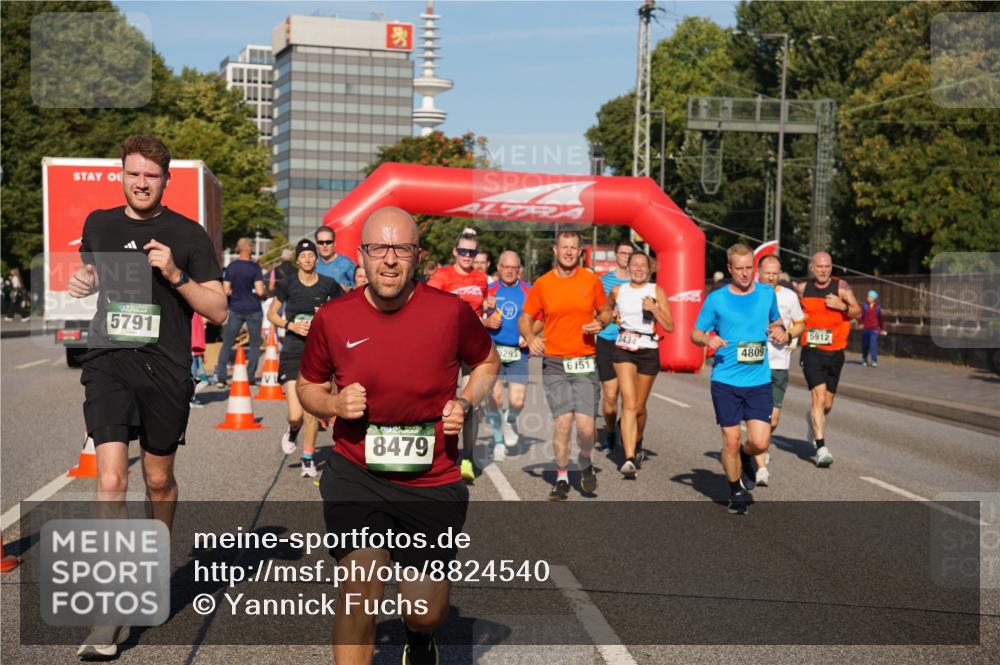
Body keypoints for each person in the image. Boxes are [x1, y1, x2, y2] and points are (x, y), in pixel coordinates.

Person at [296, 206, 499, 665]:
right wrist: (332, 404)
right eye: (377, 249)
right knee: (359, 588)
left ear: (418, 257)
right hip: (357, 471)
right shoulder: (334, 317)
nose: (389, 260)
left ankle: (420, 636)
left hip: (431, 478)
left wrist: (464, 402)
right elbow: (307, 385)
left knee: (427, 613)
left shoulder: (450, 313)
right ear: (361, 257)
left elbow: (487, 363)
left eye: (401, 249)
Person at [67, 134, 227, 659]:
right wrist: (84, 282)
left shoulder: (188, 234)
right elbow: (94, 277)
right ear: (122, 174)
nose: (141, 183)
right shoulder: (99, 224)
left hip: (166, 368)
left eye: (151, 176)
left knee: (158, 478)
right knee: (110, 479)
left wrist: (176, 274)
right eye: (133, 174)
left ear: (165, 180)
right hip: (109, 360)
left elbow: (219, 311)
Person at [690, 244, 788, 515]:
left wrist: (781, 332)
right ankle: (735, 490)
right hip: (725, 380)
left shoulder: (767, 294)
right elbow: (695, 333)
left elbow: (777, 322)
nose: (745, 274)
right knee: (731, 439)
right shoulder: (717, 300)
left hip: (758, 381)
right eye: (740, 269)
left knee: (760, 442)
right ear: (730, 269)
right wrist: (708, 338)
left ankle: (747, 457)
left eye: (749, 268)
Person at [519, 230, 613, 501]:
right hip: (555, 363)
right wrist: (530, 337)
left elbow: (606, 310)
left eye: (574, 248)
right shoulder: (543, 284)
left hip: (584, 361)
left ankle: (584, 459)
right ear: (555, 250)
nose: (569, 252)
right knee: (563, 424)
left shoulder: (590, 280)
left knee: (586, 429)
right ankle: (561, 479)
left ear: (580, 251)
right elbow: (526, 319)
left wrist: (602, 322)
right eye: (565, 247)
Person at [267, 239, 344, 478]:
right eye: (304, 256)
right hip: (292, 351)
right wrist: (291, 324)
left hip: (319, 354)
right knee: (295, 414)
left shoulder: (328, 284)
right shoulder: (287, 284)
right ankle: (292, 430)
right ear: (297, 260)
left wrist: (327, 315)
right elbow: (271, 314)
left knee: (312, 411)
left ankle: (308, 458)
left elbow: (344, 308)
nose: (308, 259)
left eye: (311, 255)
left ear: (315, 259)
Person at [427, 229, 490, 483]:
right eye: (463, 251)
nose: (467, 256)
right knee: (440, 400)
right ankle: (439, 453)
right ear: (455, 252)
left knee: (468, 403)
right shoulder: (442, 276)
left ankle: (467, 458)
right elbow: (427, 305)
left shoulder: (481, 278)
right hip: (445, 347)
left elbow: (482, 309)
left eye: (471, 252)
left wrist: (487, 316)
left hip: (472, 348)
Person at [607, 252, 673, 478]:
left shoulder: (657, 291)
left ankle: (638, 438)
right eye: (634, 265)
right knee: (629, 402)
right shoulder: (618, 291)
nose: (638, 269)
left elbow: (670, 326)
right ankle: (629, 457)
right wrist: (605, 318)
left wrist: (654, 309)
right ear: (628, 267)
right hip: (623, 346)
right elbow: (606, 311)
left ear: (649, 269)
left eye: (643, 266)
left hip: (648, 349)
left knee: (640, 408)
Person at [796, 251, 862, 467]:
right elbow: (793, 314)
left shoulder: (841, 287)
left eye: (827, 266)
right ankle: (821, 448)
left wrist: (842, 306)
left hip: (836, 352)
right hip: (812, 349)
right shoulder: (802, 289)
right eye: (820, 266)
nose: (824, 270)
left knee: (827, 403)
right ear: (812, 267)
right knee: (818, 397)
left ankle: (814, 420)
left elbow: (858, 312)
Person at [754, 255, 806, 486]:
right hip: (754, 363)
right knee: (758, 416)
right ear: (759, 272)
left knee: (772, 419)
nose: (771, 276)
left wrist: (789, 335)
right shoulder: (749, 294)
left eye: (775, 272)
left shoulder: (789, 296)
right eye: (767, 272)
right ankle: (760, 465)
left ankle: (760, 443)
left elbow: (800, 322)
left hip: (779, 363)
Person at [484, 250, 532, 460]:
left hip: (518, 351)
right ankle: (498, 442)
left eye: (514, 268)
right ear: (499, 268)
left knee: (518, 401)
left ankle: (510, 421)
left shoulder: (528, 291)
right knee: (495, 398)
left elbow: (542, 318)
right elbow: (472, 315)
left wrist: (530, 335)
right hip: (493, 351)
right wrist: (486, 320)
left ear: (519, 270)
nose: (510, 271)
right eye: (506, 267)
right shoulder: (488, 290)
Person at [595, 240, 634, 453]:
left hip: (630, 343)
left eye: (630, 253)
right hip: (607, 341)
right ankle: (610, 432)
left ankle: (628, 431)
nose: (626, 256)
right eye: (623, 252)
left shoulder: (639, 282)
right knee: (610, 397)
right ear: (615, 255)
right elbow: (596, 309)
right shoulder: (604, 282)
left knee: (630, 397)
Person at [214, 237, 266, 388]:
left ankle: (222, 377)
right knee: (255, 344)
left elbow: (226, 290)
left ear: (238, 249)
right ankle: (250, 378)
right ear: (249, 249)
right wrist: (264, 295)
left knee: (228, 343)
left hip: (236, 308)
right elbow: (260, 290)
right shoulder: (255, 268)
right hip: (253, 309)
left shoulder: (231, 267)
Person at [861, 290, 886, 367]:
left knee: (873, 345)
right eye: (868, 296)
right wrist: (860, 323)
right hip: (865, 328)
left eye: (870, 297)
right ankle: (864, 359)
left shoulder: (878, 307)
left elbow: (881, 319)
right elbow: (860, 316)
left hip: (874, 328)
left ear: (874, 298)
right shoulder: (864, 306)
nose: (868, 298)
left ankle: (874, 360)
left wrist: (882, 328)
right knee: (865, 345)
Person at [190, 312, 209, 408]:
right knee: (192, 374)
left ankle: (191, 398)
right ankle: (189, 398)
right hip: (192, 346)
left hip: (194, 347)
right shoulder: (194, 312)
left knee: (195, 374)